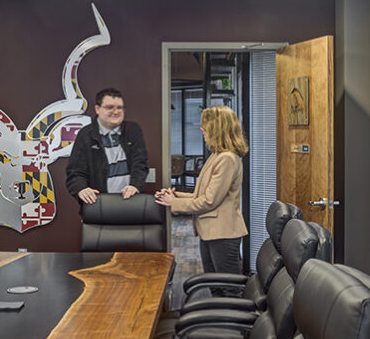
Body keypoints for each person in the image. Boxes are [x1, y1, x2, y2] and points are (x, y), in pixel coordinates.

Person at [155, 106, 248, 281]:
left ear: (217, 128)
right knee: (215, 285)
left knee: (228, 289)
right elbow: (202, 194)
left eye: (205, 125)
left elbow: (208, 201)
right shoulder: (217, 155)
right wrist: (175, 196)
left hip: (223, 234)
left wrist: (173, 203)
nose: (201, 129)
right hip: (211, 233)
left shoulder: (227, 159)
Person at [65, 88, 149, 205]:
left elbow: (140, 163)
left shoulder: (133, 130)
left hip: (131, 201)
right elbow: (75, 171)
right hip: (98, 203)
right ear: (97, 109)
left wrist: (135, 185)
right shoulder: (86, 135)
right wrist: (81, 189)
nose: (116, 112)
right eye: (110, 107)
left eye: (119, 107)